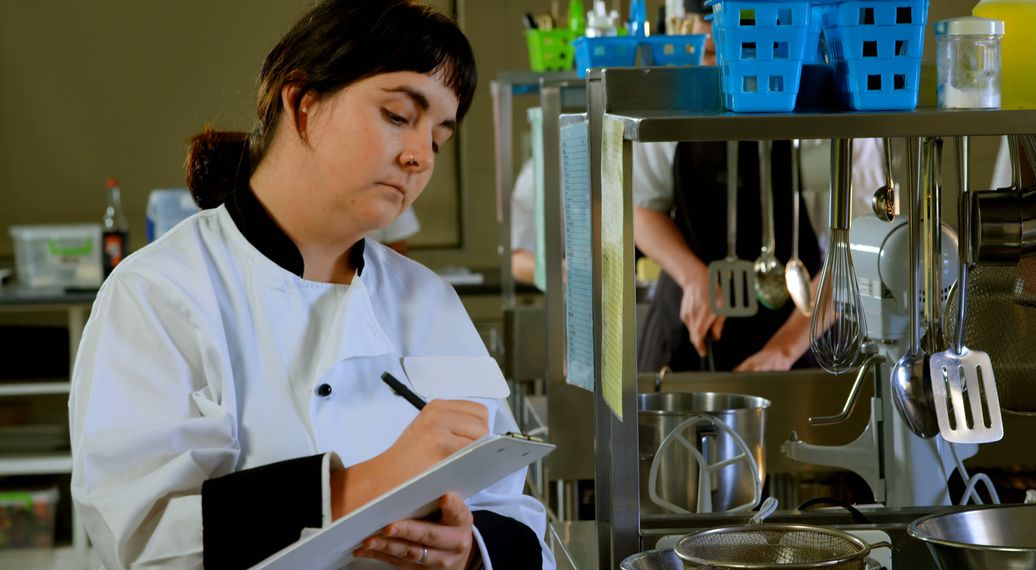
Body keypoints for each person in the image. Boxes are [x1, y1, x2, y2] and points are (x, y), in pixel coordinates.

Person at [68, 2, 552, 568]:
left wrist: (469, 551)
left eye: (439, 138)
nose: (420, 156)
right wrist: (373, 481)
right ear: (302, 104)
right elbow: (143, 541)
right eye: (398, 115)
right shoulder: (160, 295)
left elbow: (513, 507)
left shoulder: (429, 301)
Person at [635, 0, 882, 373]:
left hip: (802, 334)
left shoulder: (829, 111)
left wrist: (784, 348)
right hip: (687, 336)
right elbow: (642, 210)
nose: (720, 68)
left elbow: (860, 247)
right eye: (710, 52)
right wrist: (692, 276)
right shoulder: (677, 94)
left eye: (736, 50)